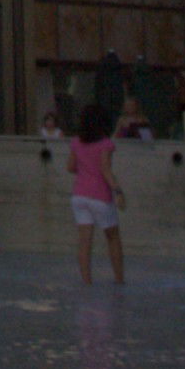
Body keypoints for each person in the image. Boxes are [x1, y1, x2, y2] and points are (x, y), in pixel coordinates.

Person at [68, 101, 124, 286]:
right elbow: (105, 169)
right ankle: (119, 280)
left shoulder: (76, 142)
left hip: (79, 195)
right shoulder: (105, 144)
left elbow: (70, 167)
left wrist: (85, 170)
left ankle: (87, 282)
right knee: (113, 237)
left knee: (84, 241)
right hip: (100, 195)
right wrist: (118, 191)